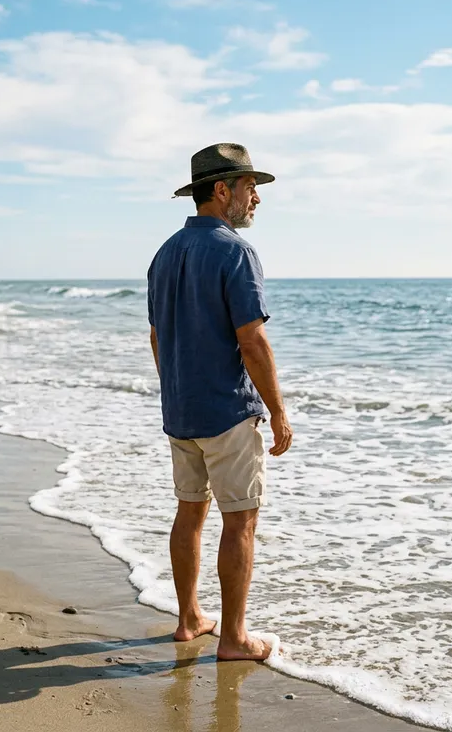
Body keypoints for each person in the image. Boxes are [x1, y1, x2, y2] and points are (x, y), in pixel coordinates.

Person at [147, 142, 293, 661]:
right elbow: (251, 340)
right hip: (229, 412)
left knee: (190, 512)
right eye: (250, 187)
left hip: (180, 411)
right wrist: (276, 410)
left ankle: (189, 620)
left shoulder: (165, 253)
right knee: (240, 520)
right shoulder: (236, 251)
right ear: (222, 190)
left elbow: (157, 336)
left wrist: (177, 388)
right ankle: (233, 638)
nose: (257, 198)